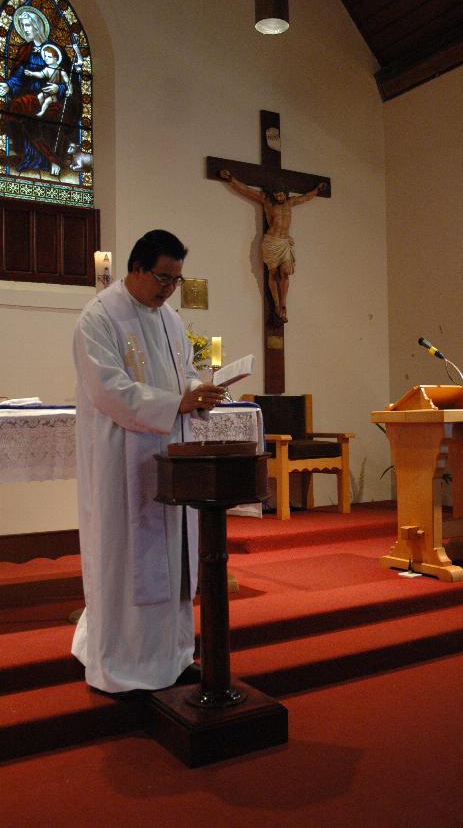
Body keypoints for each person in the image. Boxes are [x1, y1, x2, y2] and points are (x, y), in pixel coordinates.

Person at [71, 230, 225, 694]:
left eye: (176, 280)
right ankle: (120, 661)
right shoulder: (98, 319)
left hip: (170, 462)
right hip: (121, 464)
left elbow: (187, 373)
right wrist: (175, 404)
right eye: (162, 277)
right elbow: (109, 391)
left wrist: (200, 394)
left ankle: (173, 657)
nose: (168, 289)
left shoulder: (170, 320)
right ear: (136, 269)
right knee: (127, 562)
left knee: (175, 561)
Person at [219, 168, 327, 323]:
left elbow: (306, 197)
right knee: (274, 274)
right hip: (271, 242)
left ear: (285, 193)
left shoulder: (290, 203)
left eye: (281, 193)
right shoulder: (267, 201)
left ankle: (283, 303)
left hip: (284, 242)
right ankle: (277, 305)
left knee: (285, 274)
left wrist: (317, 190)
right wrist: (230, 178)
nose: (278, 196)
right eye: (276, 194)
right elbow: (246, 190)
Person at [0, 6, 77, 175]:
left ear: (37, 26)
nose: (26, 29)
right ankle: (33, 158)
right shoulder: (25, 50)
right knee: (19, 110)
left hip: (50, 98)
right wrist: (9, 85)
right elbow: (18, 76)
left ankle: (50, 160)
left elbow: (70, 82)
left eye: (28, 25)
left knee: (29, 115)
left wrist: (59, 88)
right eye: (23, 26)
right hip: (30, 95)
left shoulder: (56, 52)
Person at [24, 44, 71, 117]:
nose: (46, 58)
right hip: (48, 90)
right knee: (39, 96)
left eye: (49, 57)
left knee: (47, 101)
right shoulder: (47, 69)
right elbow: (40, 74)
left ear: (55, 58)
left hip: (56, 94)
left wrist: (70, 90)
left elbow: (68, 82)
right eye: (45, 56)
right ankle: (35, 111)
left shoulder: (61, 71)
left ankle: (41, 113)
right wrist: (31, 73)